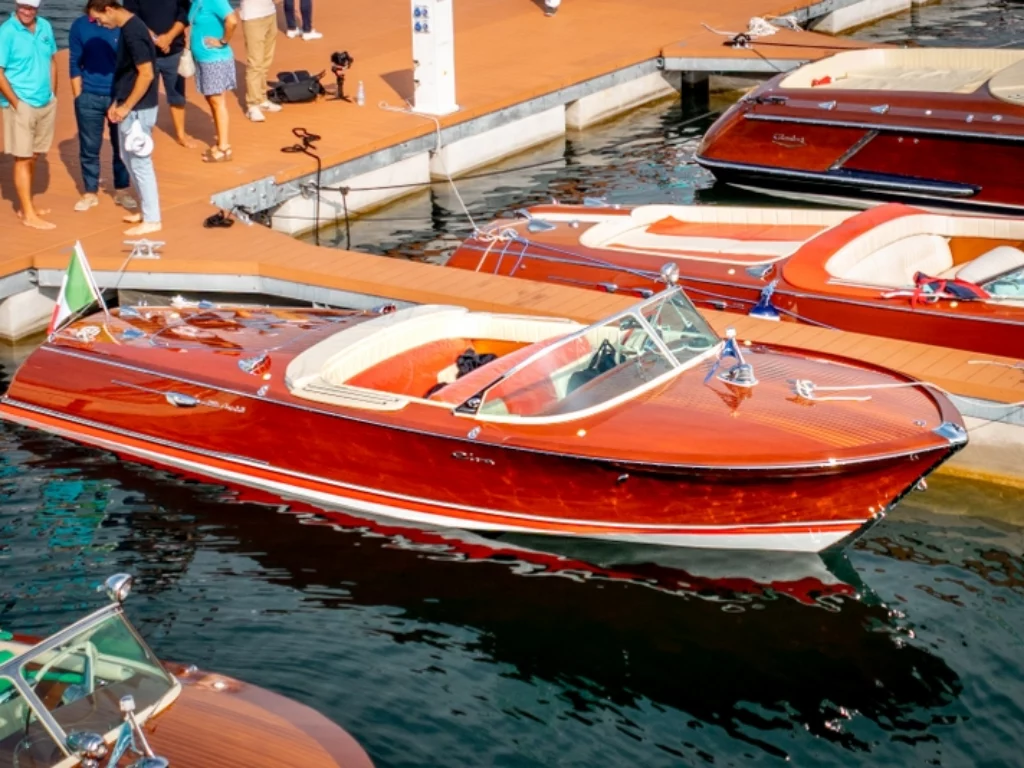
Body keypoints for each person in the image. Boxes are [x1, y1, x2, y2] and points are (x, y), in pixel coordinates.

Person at [87, 0, 161, 236]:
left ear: (108, 9)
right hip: (129, 105)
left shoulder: (133, 32)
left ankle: (152, 218)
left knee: (140, 162)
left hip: (138, 109)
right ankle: (146, 210)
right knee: (126, 157)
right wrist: (117, 102)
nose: (99, 24)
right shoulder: (130, 29)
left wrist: (127, 106)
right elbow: (128, 75)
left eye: (98, 19)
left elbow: (146, 73)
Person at [68, 9, 136, 212]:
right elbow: (74, 62)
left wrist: (123, 98)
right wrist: (79, 96)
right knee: (89, 147)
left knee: (122, 146)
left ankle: (122, 190)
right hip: (89, 96)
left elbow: (131, 63)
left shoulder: (121, 25)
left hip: (118, 96)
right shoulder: (80, 25)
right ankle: (90, 192)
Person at [0, 0, 58, 230]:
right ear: (16, 6)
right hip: (20, 105)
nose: (26, 11)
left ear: (38, 8)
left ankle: (28, 206)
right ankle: (28, 214)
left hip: (45, 102)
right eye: (22, 6)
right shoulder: (6, 32)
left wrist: (53, 93)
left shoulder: (45, 26)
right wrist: (16, 102)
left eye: (31, 8)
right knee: (22, 158)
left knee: (34, 155)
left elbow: (52, 60)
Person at [123, 0, 194, 147]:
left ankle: (181, 134)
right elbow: (132, 17)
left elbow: (183, 14)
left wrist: (168, 37)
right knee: (145, 95)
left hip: (174, 50)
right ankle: (144, 134)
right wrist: (157, 40)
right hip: (145, 54)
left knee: (177, 94)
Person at [189, 0, 238, 162]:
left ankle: (224, 147)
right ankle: (221, 143)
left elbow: (232, 20)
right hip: (203, 59)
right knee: (211, 99)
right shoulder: (196, 2)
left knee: (217, 101)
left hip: (214, 59)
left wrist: (223, 41)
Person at [240, 0, 281, 123]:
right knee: (255, 63)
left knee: (266, 60)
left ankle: (262, 98)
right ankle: (252, 105)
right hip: (253, 17)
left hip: (270, 13)